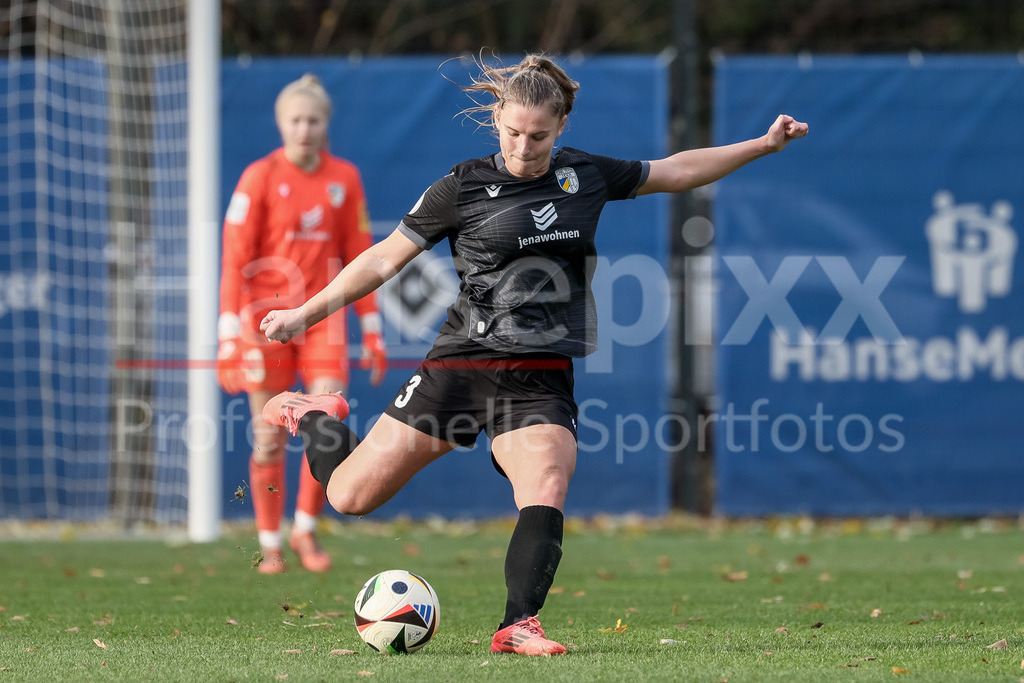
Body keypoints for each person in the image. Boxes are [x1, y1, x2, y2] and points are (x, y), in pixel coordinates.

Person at [259, 54, 808, 653]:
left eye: (539, 135)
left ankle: (518, 623)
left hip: (540, 376)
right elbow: (382, 259)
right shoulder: (462, 185)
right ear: (497, 118)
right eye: (513, 132)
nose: (523, 147)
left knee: (547, 477)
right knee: (348, 495)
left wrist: (762, 144)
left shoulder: (585, 176)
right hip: (461, 364)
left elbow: (675, 170)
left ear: (562, 125)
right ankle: (314, 413)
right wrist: (303, 314)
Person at [217, 73, 387, 575]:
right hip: (263, 322)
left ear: (325, 124)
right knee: (267, 436)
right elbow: (233, 260)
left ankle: (306, 532)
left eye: (313, 120)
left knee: (325, 425)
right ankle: (270, 543)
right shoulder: (259, 177)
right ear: (280, 124)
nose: (304, 128)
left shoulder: (345, 178)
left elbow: (361, 257)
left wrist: (372, 328)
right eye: (295, 120)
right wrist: (228, 334)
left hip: (321, 321)